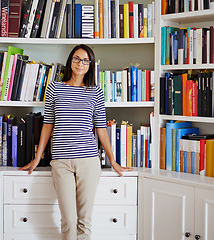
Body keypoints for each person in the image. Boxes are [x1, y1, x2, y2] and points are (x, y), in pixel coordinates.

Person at [19, 44, 133, 240]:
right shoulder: (55, 88)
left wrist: (112, 160)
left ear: (90, 65)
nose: (81, 63)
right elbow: (48, 124)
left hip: (88, 161)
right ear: (70, 61)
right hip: (61, 162)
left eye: (86, 60)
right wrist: (38, 157)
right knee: (69, 221)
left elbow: (101, 129)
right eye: (77, 59)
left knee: (84, 220)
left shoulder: (96, 92)